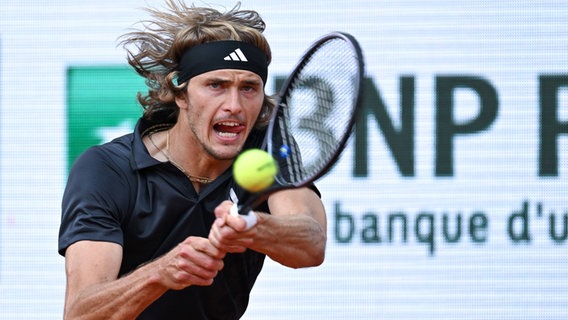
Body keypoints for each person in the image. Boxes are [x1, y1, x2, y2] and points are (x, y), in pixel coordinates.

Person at [58, 1, 327, 319]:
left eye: (249, 88)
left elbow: (312, 244)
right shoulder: (107, 169)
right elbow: (80, 314)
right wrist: (159, 274)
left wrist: (253, 227)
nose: (235, 106)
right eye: (217, 85)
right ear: (180, 94)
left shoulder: (267, 148)